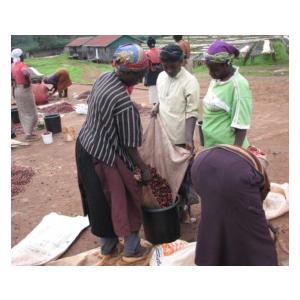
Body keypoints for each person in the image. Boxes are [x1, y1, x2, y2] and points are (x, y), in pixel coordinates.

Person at [75, 43, 152, 265]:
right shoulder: (125, 105)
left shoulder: (103, 78)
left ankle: (108, 247)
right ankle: (131, 250)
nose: (140, 79)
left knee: (98, 199)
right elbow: (129, 146)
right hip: (105, 157)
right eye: (138, 74)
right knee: (124, 200)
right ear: (127, 72)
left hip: (85, 145)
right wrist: (143, 169)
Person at [191, 144, 278, 266]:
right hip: (233, 174)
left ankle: (210, 258)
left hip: (199, 165)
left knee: (213, 219)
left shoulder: (242, 156)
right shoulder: (255, 176)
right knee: (257, 238)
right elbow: (254, 212)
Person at [152, 44, 200, 221]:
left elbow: (192, 111)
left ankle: (186, 212)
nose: (169, 70)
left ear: (182, 61)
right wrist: (157, 106)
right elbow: (162, 98)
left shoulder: (189, 82)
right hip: (163, 136)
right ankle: (172, 207)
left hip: (180, 137)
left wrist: (188, 139)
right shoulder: (160, 77)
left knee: (183, 176)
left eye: (173, 66)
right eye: (165, 66)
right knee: (166, 175)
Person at [201, 40, 252, 149]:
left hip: (228, 149)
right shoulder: (217, 79)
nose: (210, 73)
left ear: (226, 64)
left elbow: (241, 124)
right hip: (211, 146)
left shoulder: (238, 85)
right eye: (209, 69)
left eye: (215, 70)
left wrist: (235, 153)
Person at [11, 48, 39, 141]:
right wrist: (28, 80)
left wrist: (13, 90)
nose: (23, 56)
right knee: (31, 111)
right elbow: (25, 72)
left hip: (17, 89)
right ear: (20, 56)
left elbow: (12, 79)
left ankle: (28, 132)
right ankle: (28, 134)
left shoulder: (12, 66)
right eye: (22, 55)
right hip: (24, 90)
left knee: (23, 112)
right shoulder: (22, 65)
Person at [144, 36, 163, 105]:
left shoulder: (147, 53)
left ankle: (155, 108)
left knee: (153, 93)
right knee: (160, 91)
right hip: (161, 72)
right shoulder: (160, 51)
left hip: (152, 74)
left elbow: (147, 65)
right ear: (154, 43)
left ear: (148, 44)